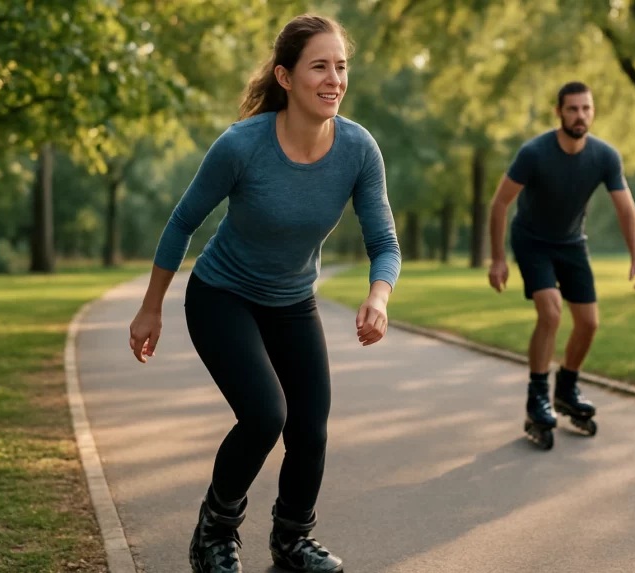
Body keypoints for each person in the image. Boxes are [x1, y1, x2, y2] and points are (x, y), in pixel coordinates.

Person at [128, 14, 401, 573]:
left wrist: (379, 296)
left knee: (310, 428)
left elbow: (384, 242)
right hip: (221, 295)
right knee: (264, 415)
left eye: (341, 66)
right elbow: (182, 223)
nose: (334, 80)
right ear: (285, 76)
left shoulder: (358, 149)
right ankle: (214, 533)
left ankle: (292, 540)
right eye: (319, 66)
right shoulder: (242, 145)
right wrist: (150, 308)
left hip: (293, 301)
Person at [487, 81, 635, 441]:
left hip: (572, 243)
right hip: (532, 241)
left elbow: (626, 209)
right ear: (558, 112)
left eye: (586, 108)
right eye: (573, 108)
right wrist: (498, 259)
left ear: (593, 112)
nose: (580, 115)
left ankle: (566, 388)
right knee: (551, 312)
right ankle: (537, 397)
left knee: (589, 323)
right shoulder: (534, 153)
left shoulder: (605, 156)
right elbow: (500, 204)